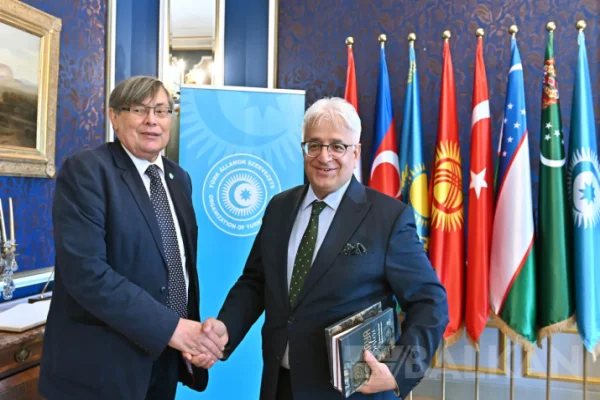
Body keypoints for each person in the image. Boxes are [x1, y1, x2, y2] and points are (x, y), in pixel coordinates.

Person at [192, 97, 449, 399]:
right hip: (279, 386)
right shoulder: (279, 207)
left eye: (337, 146)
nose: (324, 156)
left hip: (353, 391)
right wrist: (227, 328)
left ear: (355, 153)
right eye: (314, 145)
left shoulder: (388, 217)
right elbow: (256, 282)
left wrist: (397, 370)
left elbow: (430, 302)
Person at [39, 76, 225, 400]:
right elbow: (87, 274)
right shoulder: (87, 171)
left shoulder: (179, 178)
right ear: (114, 116)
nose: (152, 120)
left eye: (162, 111)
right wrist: (173, 329)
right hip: (103, 369)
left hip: (165, 359)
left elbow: (178, 268)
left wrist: (188, 337)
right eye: (139, 110)